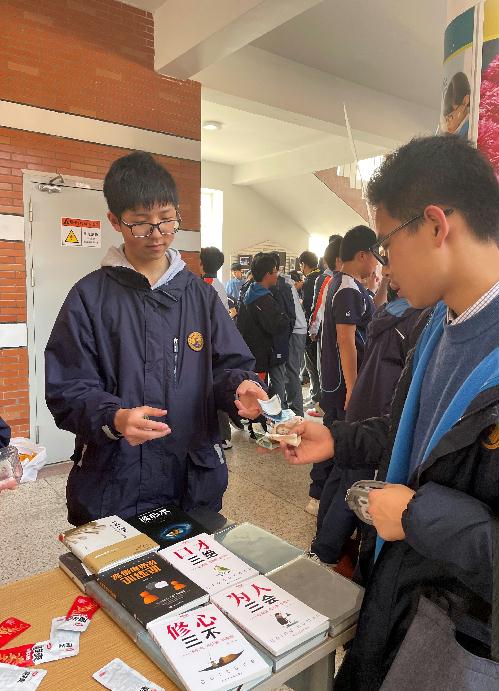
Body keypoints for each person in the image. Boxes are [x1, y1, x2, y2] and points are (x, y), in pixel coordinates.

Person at [280, 135, 499, 690]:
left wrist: (421, 517)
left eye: (386, 244)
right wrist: (338, 438)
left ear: (435, 225)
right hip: (399, 596)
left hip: (464, 638)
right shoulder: (436, 325)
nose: (382, 265)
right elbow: (417, 436)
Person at [45, 151, 267, 526]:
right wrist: (114, 417)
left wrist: (240, 387)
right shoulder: (89, 297)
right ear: (115, 220)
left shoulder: (199, 295)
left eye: (166, 220)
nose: (157, 234)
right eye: (141, 224)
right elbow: (67, 388)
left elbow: (228, 365)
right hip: (113, 483)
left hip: (191, 480)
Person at [311, 272, 427, 570]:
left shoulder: (387, 313)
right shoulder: (417, 321)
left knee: (340, 475)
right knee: (353, 484)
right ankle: (326, 551)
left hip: (363, 402)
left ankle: (321, 542)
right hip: (380, 413)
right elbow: (347, 342)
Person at [200, 246, 234, 451]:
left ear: (201, 263)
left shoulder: (205, 284)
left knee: (213, 388)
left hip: (210, 345)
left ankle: (222, 435)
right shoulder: (218, 284)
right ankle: (223, 434)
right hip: (217, 343)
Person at [237, 253, 290, 380]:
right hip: (258, 356)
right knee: (258, 388)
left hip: (250, 353)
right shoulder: (263, 300)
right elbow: (277, 324)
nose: (277, 275)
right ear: (267, 274)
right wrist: (284, 317)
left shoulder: (251, 291)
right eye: (275, 272)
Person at [268, 252, 295, 409]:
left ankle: (280, 414)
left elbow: (289, 317)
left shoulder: (281, 287)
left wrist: (282, 336)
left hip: (278, 340)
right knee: (277, 377)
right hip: (276, 340)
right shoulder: (281, 286)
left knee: (278, 377)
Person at [299, 251, 322, 415]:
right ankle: (316, 395)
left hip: (312, 329)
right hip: (321, 329)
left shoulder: (309, 281)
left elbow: (309, 307)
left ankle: (316, 397)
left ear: (304, 265)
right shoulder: (322, 277)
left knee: (312, 364)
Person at [282, 271, 307, 417]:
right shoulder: (286, 282)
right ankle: (293, 410)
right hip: (297, 329)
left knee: (291, 373)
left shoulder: (283, 283)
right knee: (290, 372)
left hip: (295, 330)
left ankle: (297, 413)